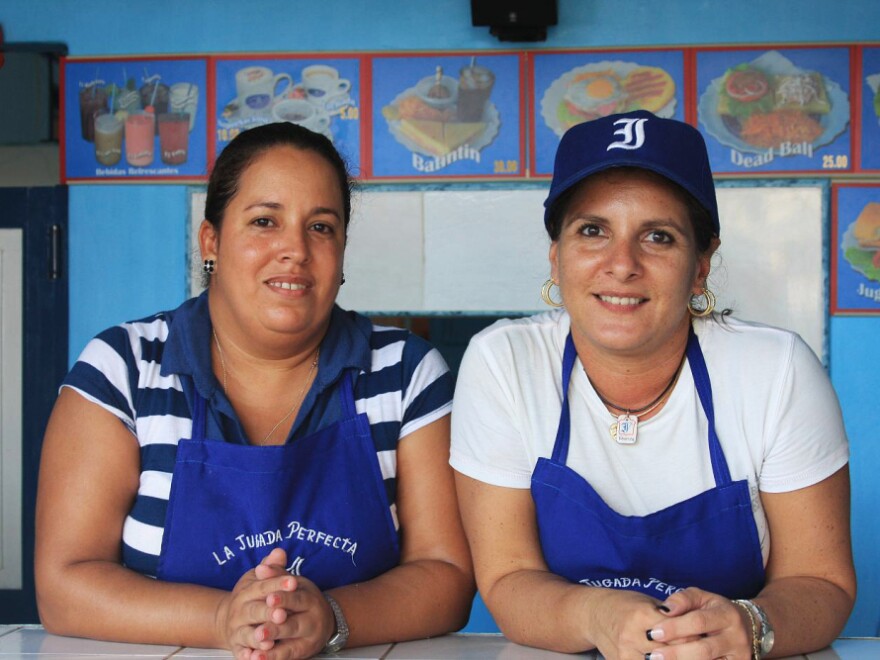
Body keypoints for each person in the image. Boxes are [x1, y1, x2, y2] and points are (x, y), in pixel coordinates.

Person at [35, 122, 474, 659]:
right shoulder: (125, 369)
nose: (295, 249)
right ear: (211, 240)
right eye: (265, 221)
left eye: (321, 227)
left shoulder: (406, 374)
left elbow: (448, 576)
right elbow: (64, 585)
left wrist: (333, 618)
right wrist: (223, 621)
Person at [450, 110, 855, 659]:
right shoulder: (504, 363)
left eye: (658, 237)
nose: (622, 265)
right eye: (593, 230)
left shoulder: (775, 370)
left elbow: (821, 582)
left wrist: (747, 626)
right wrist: (596, 615)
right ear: (556, 255)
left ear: (701, 266)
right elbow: (508, 577)